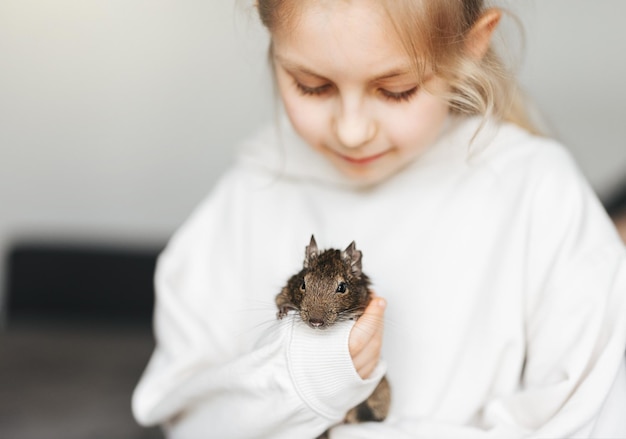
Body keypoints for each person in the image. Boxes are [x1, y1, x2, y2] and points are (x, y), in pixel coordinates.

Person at [132, 0, 626, 437]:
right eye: (313, 86)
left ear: (471, 46)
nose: (351, 131)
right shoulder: (248, 196)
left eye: (397, 90)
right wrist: (303, 378)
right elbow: (186, 414)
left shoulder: (537, 190)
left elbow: (589, 414)